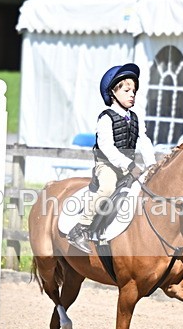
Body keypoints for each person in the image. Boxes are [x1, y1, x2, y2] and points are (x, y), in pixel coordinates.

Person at [66, 63, 156, 253]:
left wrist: (152, 165)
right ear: (113, 93)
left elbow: (144, 141)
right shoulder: (106, 118)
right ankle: (79, 228)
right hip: (106, 165)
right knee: (107, 188)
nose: (132, 94)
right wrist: (130, 165)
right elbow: (107, 147)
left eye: (134, 90)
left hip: (128, 166)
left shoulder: (135, 118)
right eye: (127, 90)